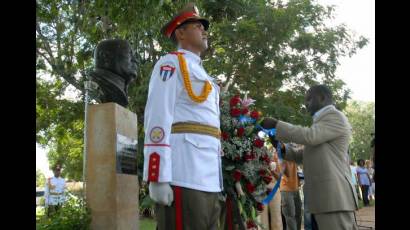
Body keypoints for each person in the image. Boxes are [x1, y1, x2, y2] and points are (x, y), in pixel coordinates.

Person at [143, 3, 223, 229]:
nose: (204, 31)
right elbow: (157, 117)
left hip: (210, 177)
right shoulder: (171, 63)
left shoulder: (202, 72)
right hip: (184, 172)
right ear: (180, 32)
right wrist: (157, 176)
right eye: (198, 26)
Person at [261, 84, 359, 230]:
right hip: (322, 199)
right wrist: (279, 146)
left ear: (322, 97)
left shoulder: (334, 116)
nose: (305, 104)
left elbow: (309, 136)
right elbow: (303, 155)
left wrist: (277, 125)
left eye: (309, 99)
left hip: (333, 198)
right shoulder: (320, 124)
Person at [88, 39, 138, 107]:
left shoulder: (121, 87)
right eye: (130, 54)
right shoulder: (100, 86)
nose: (135, 61)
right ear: (105, 56)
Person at [259, 147, 283, 230]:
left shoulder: (276, 157)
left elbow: (280, 177)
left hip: (274, 189)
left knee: (276, 218)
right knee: (262, 219)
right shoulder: (256, 158)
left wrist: (272, 170)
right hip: (260, 190)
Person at [280, 157, 302, 230]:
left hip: (296, 188)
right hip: (286, 190)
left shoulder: (293, 153)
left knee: (298, 216)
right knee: (290, 217)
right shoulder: (281, 154)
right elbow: (287, 173)